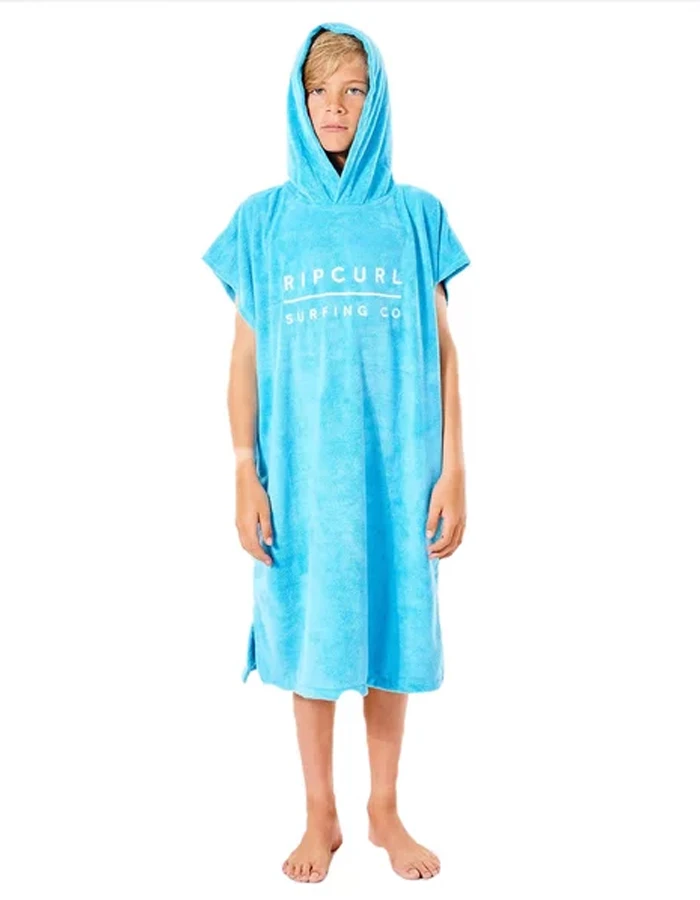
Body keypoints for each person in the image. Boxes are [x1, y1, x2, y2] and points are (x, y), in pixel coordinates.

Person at [202, 21, 471, 883]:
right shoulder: (264, 222)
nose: (335, 106)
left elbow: (446, 353)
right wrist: (244, 473)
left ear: (377, 100)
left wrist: (455, 469)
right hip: (301, 478)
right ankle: (320, 812)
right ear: (297, 101)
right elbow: (243, 360)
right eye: (319, 90)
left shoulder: (415, 216)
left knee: (392, 628)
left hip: (399, 474)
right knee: (311, 633)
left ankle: (383, 809)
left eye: (354, 89)